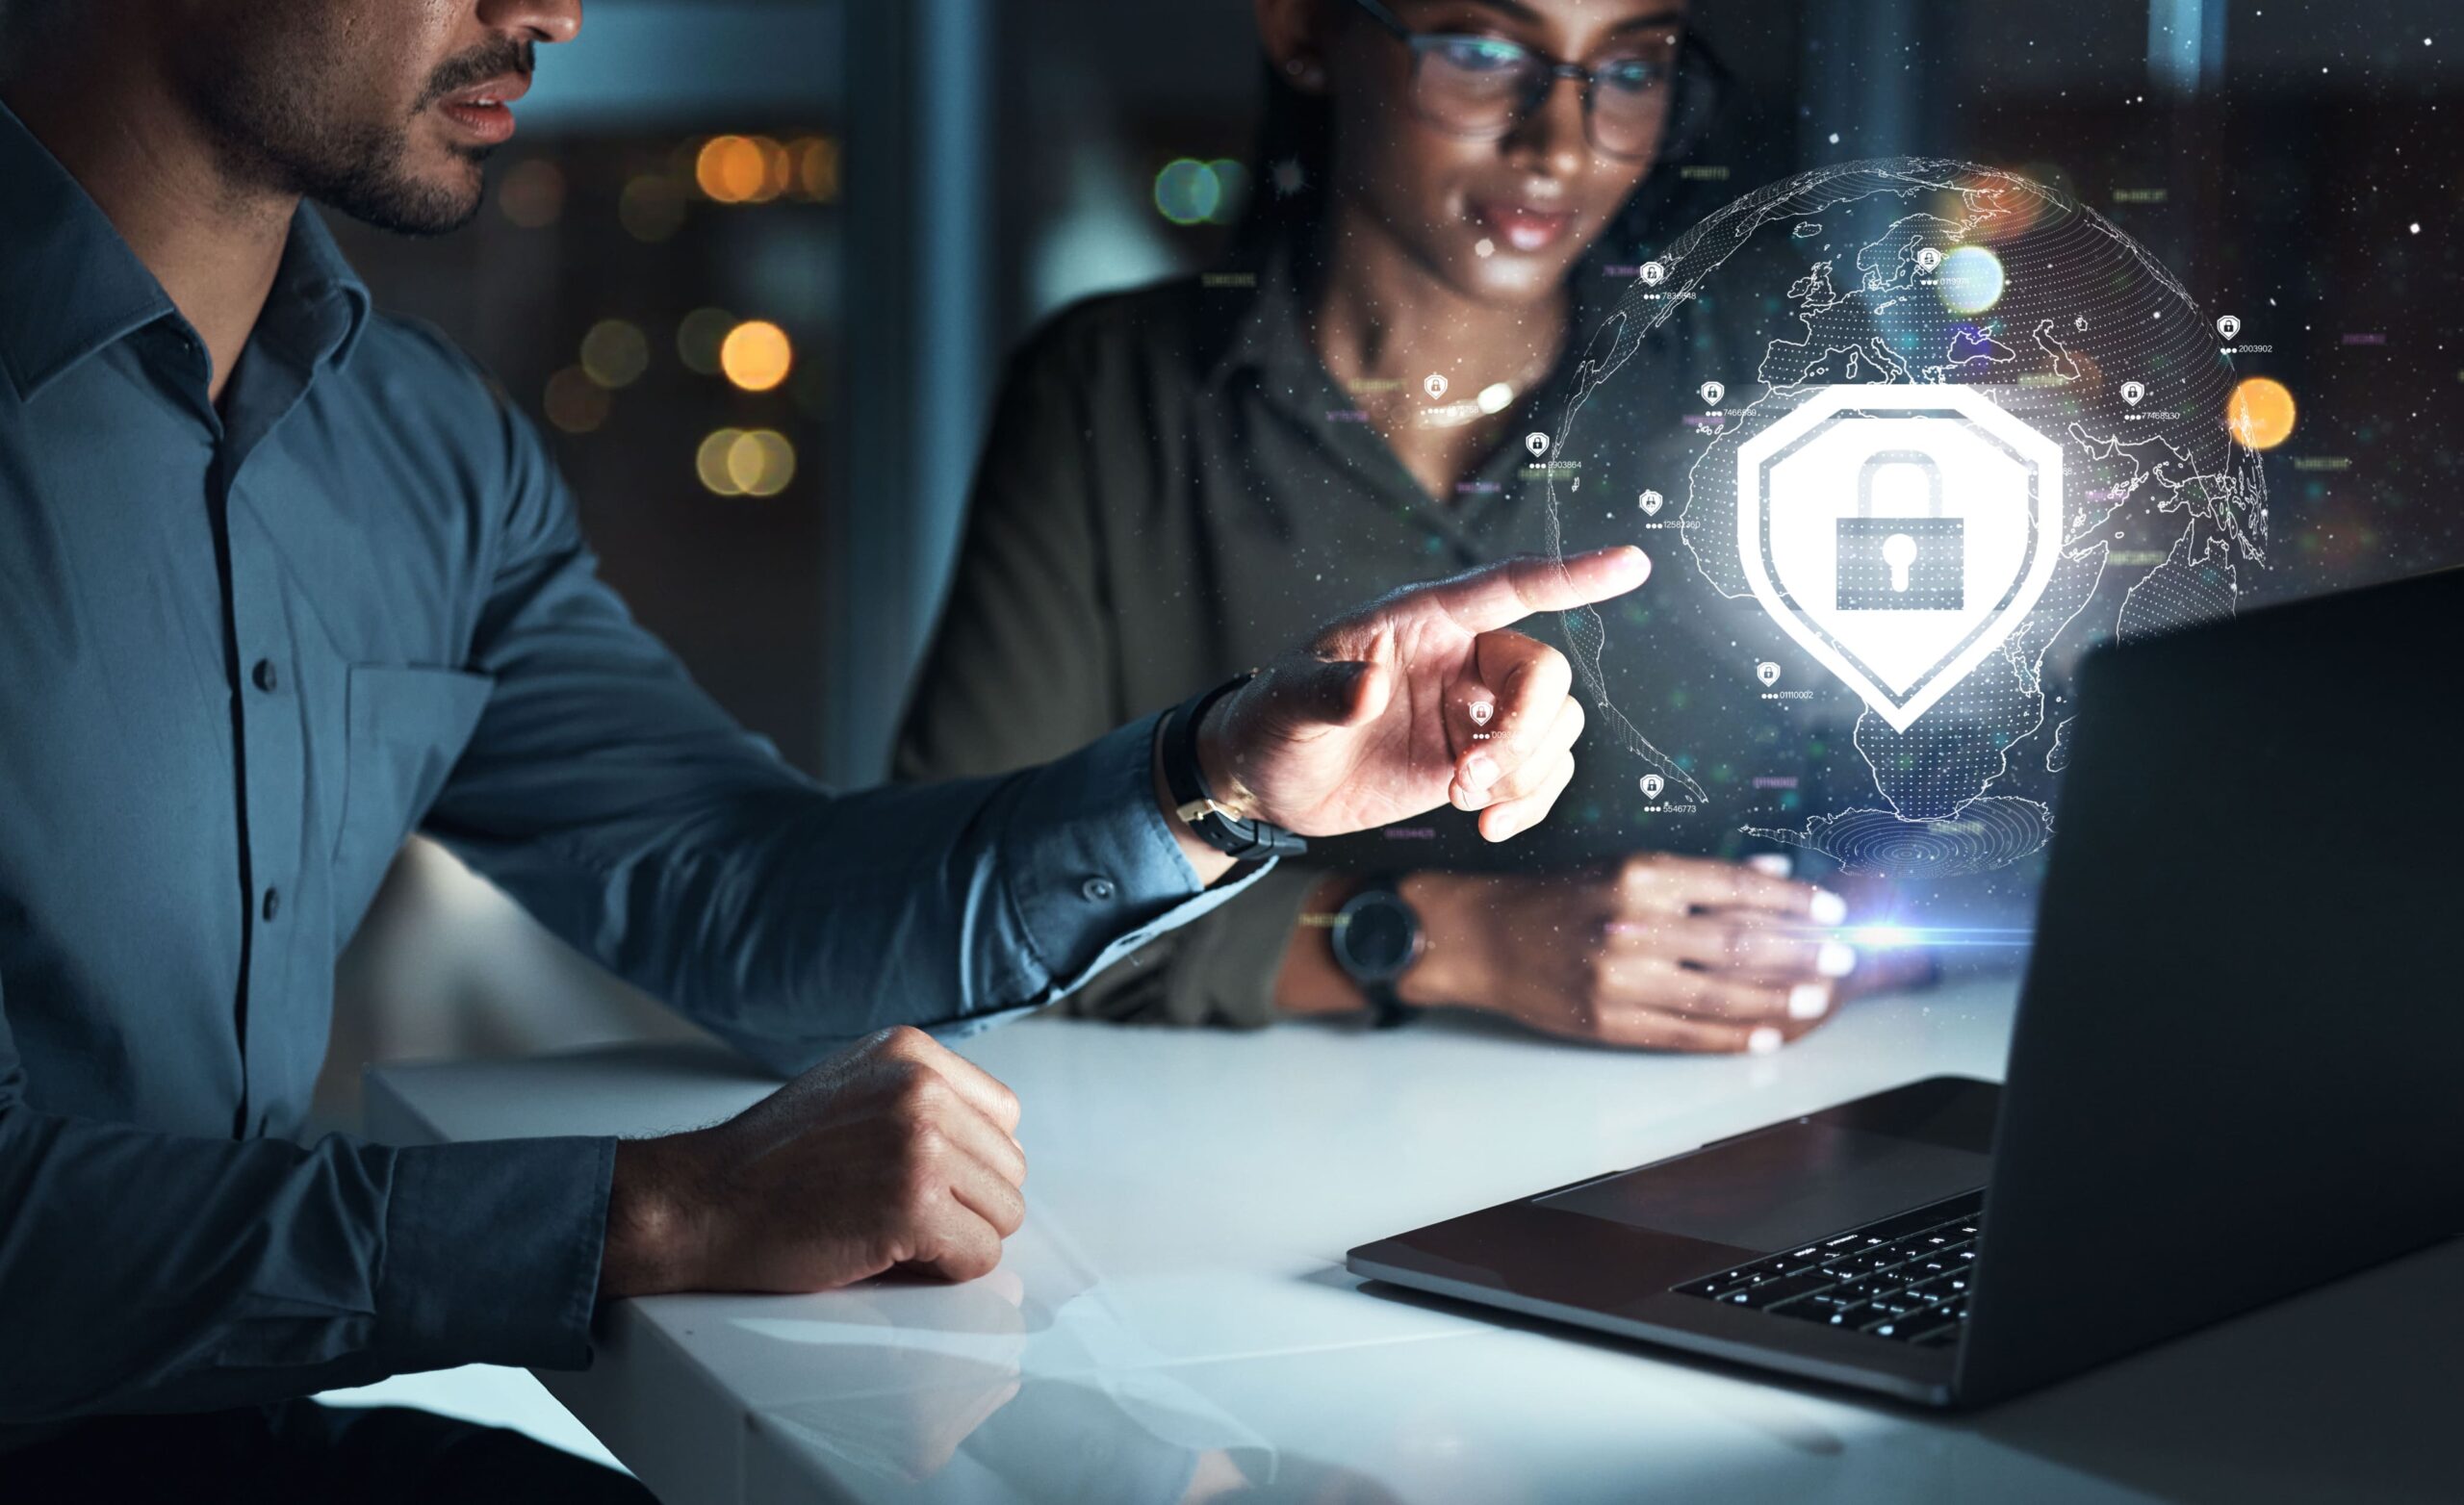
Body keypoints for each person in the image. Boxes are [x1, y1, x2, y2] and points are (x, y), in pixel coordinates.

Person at [0, 0, 1651, 1493]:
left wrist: (1222, 778)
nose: (553, 12)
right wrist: (650, 1209)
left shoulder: (415, 448)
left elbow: (741, 894)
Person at [900, 0, 1930, 1054]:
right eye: (1482, 53)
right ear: (1303, 28)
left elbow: (2013, 806)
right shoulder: (1110, 392)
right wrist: (1453, 937)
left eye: (1627, 71)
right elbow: (947, 902)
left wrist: (1837, 944)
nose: (1558, 146)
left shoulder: (1780, 379)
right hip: (1230, 1157)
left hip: (1735, 1136)